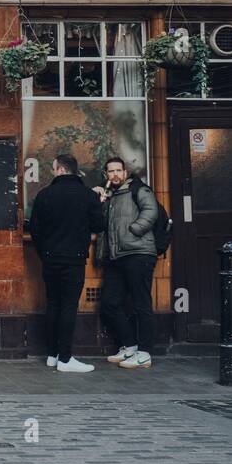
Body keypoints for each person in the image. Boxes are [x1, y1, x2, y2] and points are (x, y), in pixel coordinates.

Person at [27, 154, 107, 373]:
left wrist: (44, 252)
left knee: (53, 304)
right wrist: (98, 204)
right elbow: (99, 226)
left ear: (61, 169)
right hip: (74, 259)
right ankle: (65, 358)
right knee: (69, 306)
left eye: (53, 169)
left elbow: (35, 229)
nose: (52, 172)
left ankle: (52, 355)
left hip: (50, 259)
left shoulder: (44, 195)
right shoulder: (88, 195)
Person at [96, 156, 159, 370]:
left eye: (118, 171)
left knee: (141, 303)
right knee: (109, 303)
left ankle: (144, 353)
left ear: (125, 172)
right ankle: (130, 345)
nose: (114, 175)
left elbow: (151, 212)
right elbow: (101, 225)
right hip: (117, 257)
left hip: (139, 254)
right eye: (110, 171)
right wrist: (100, 203)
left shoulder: (139, 189)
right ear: (106, 175)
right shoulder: (111, 196)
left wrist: (134, 231)